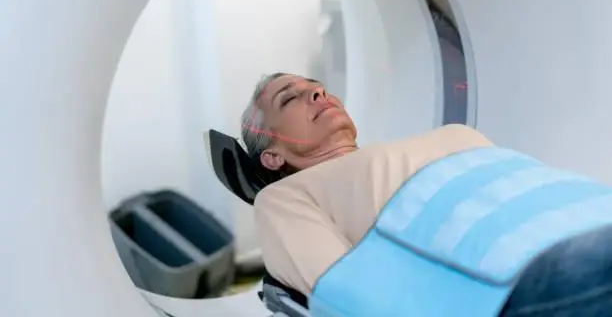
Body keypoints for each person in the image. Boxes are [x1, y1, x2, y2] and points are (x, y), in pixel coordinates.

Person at [241, 72, 612, 316]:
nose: (318, 92)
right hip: (522, 272)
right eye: (289, 99)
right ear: (272, 156)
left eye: (316, 86)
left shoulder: (452, 133)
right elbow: (347, 295)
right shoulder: (284, 196)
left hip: (586, 213)